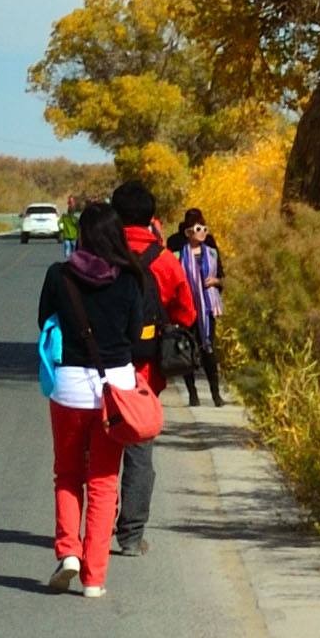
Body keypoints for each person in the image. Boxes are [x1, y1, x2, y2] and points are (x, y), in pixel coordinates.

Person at [34, 201, 146, 596]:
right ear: (117, 235)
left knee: (67, 473)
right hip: (114, 391)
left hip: (67, 388)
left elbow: (44, 321)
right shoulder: (132, 278)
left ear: (81, 234)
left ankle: (68, 551)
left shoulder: (59, 275)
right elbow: (135, 337)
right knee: (103, 481)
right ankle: (94, 577)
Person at [109, 187, 197, 550]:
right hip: (143, 372)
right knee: (139, 452)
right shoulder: (164, 260)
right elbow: (187, 312)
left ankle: (95, 527)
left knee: (98, 453)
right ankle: (131, 536)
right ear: (151, 217)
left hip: (98, 367)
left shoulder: (100, 254)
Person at [170, 206, 228, 407]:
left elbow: (222, 277)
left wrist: (215, 281)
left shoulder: (211, 252)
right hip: (186, 307)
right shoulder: (178, 252)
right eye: (198, 228)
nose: (202, 232)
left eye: (204, 227)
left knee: (208, 350)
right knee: (187, 350)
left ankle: (215, 394)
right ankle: (192, 393)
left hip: (207, 308)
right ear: (188, 231)